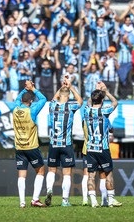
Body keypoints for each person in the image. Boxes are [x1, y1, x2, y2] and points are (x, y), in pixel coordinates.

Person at [45, 79, 83, 207]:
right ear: (67, 97)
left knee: (51, 170)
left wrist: (62, 87)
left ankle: (49, 189)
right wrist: (71, 87)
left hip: (53, 144)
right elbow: (80, 101)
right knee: (67, 173)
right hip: (66, 144)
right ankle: (65, 201)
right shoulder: (70, 106)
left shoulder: (52, 106)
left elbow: (54, 97)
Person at [84, 82, 122, 208]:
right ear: (102, 100)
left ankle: (94, 201)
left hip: (90, 148)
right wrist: (105, 91)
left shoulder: (86, 111)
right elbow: (115, 102)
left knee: (91, 175)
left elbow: (89, 103)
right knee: (108, 173)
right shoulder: (104, 111)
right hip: (103, 148)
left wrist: (95, 91)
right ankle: (111, 200)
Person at [12, 80, 47, 208]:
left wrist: (25, 89)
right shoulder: (32, 110)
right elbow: (43, 99)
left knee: (22, 174)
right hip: (31, 146)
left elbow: (17, 99)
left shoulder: (15, 109)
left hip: (19, 147)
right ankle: (35, 199)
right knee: (41, 170)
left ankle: (22, 202)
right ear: (31, 101)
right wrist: (32, 88)